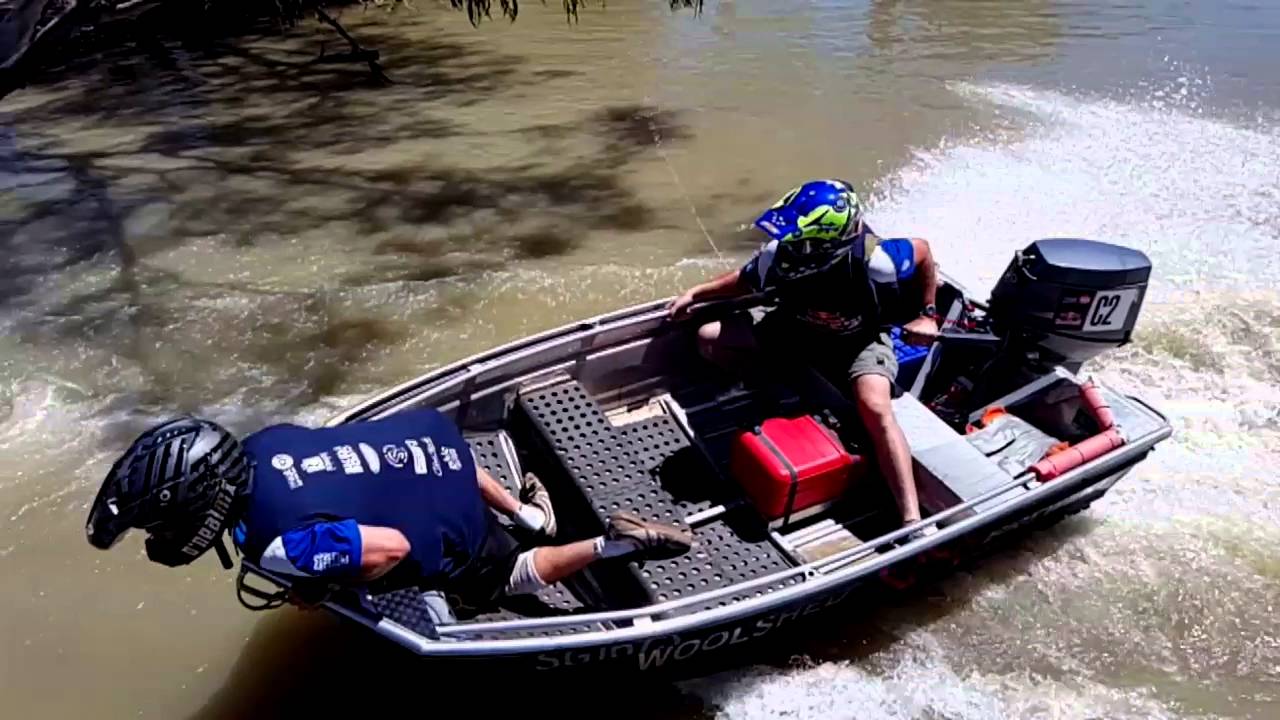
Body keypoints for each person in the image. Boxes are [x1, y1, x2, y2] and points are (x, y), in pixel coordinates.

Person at [85, 408, 693, 613]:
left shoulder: (277, 545)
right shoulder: (260, 445)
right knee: (430, 461)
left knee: (505, 575)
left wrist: (328, 584)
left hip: (449, 521)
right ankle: (530, 513)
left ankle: (613, 545)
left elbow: (392, 550)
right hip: (435, 443)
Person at [667, 178, 940, 533]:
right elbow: (744, 280)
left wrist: (928, 314)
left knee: (875, 407)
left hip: (859, 340)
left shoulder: (880, 260)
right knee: (710, 337)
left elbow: (924, 252)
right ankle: (780, 393)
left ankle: (911, 518)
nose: (792, 249)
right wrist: (696, 294)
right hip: (795, 327)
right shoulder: (778, 255)